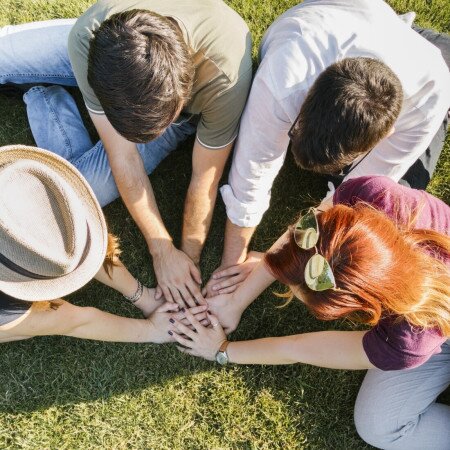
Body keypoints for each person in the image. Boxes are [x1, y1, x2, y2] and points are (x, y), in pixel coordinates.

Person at [0, 0, 253, 307]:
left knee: (74, 197)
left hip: (179, 104)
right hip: (113, 59)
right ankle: (44, 91)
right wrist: (160, 251)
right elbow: (123, 156)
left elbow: (205, 180)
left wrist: (183, 260)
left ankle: (41, 93)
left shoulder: (224, 81)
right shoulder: (89, 37)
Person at [172, 176, 450, 449]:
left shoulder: (407, 342)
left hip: (438, 329)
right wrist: (237, 301)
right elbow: (307, 229)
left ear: (359, 307)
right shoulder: (372, 194)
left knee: (381, 427)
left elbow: (297, 348)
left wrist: (222, 350)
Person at [205, 0, 450, 296]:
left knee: (390, 203)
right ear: (309, 96)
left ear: (386, 135)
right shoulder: (285, 77)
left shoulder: (426, 103)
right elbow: (251, 177)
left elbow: (349, 198)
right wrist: (231, 266)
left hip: (423, 63)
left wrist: (269, 268)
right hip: (334, 21)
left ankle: (419, 37)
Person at [0, 145, 207, 343]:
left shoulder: (14, 184)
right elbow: (75, 322)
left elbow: (80, 245)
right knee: (23, 329)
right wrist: (151, 330)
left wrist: (142, 295)